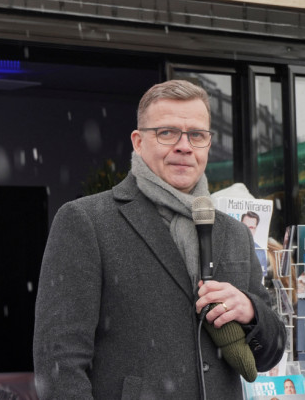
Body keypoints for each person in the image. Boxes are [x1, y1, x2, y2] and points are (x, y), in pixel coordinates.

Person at [33, 79, 286, 399]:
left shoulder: (234, 232)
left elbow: (270, 353)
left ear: (208, 144)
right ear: (138, 142)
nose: (184, 146)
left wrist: (251, 311)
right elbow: (59, 361)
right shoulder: (86, 221)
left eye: (197, 135)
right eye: (167, 133)